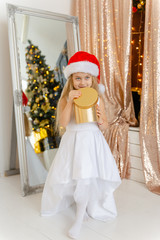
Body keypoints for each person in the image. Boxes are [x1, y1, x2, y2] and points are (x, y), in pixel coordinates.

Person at [41, 51, 121, 239]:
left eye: (87, 77)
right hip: (74, 141)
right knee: (74, 177)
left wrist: (102, 121)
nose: (82, 82)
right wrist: (69, 101)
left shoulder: (97, 98)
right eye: (78, 78)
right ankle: (81, 209)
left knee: (86, 177)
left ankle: (78, 217)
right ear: (71, 80)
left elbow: (105, 126)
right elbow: (63, 122)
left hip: (91, 141)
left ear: (92, 79)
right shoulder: (65, 99)